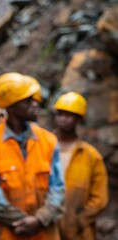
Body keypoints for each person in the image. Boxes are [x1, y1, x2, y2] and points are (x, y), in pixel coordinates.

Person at [0, 72, 65, 240]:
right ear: (11, 107)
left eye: (34, 99)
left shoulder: (48, 141)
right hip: (8, 233)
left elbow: (58, 188)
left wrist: (40, 219)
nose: (35, 103)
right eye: (27, 101)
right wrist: (22, 221)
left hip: (44, 233)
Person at [53, 92, 108, 240]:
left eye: (69, 115)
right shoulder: (43, 147)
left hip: (78, 231)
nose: (63, 119)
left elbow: (100, 197)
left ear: (78, 119)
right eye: (60, 114)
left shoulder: (90, 155)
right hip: (47, 225)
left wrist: (80, 220)